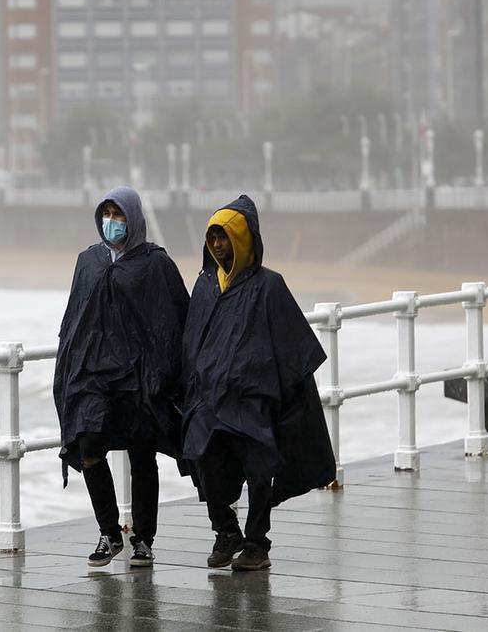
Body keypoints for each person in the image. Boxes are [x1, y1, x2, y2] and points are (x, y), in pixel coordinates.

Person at [181, 194, 336, 571]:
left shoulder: (269, 286)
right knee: (207, 463)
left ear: (244, 238)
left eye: (224, 237)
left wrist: (280, 395)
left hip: (254, 401)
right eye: (213, 237)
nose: (218, 245)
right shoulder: (205, 286)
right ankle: (225, 531)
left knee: (258, 470)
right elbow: (191, 342)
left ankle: (256, 543)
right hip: (210, 402)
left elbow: (293, 347)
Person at [53, 186, 190, 568]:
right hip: (94, 375)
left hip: (140, 375)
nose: (112, 223)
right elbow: (74, 318)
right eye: (106, 214)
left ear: (134, 218)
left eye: (119, 215)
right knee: (90, 446)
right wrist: (69, 368)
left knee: (143, 454)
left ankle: (143, 539)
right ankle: (109, 532)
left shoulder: (155, 264)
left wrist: (166, 373)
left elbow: (175, 317)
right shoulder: (89, 261)